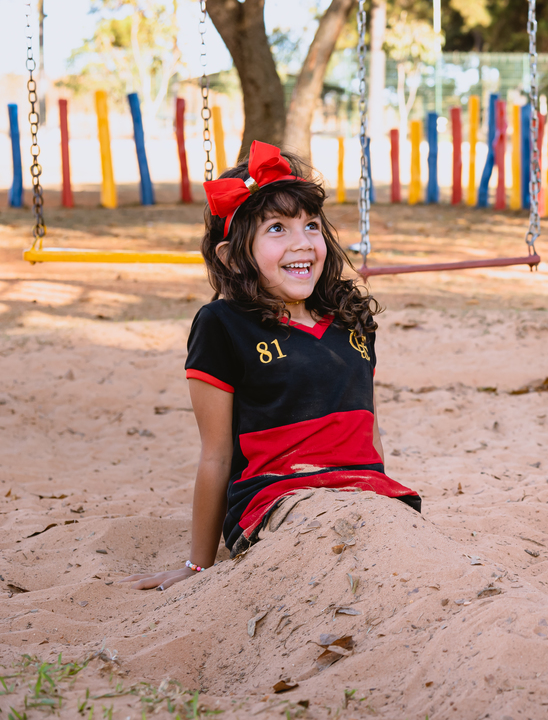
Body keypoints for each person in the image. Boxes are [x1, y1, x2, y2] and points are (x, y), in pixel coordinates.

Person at [122, 142, 420, 590]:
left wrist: (378, 490)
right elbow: (216, 454)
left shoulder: (350, 320)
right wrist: (197, 566)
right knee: (338, 545)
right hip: (277, 497)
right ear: (232, 255)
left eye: (312, 226)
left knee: (405, 548)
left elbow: (369, 432)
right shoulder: (222, 324)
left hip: (364, 491)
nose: (302, 242)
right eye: (277, 228)